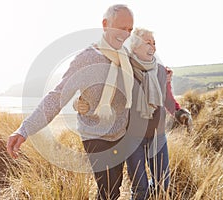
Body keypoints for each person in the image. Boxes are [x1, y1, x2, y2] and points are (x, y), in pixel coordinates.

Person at [7, 4, 134, 200]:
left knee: (114, 189)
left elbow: (143, 85)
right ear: (105, 24)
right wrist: (24, 129)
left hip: (121, 132)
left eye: (129, 30)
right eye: (121, 28)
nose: (126, 34)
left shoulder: (127, 57)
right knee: (108, 191)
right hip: (95, 134)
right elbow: (57, 96)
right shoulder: (86, 58)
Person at [74, 28, 192, 199]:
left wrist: (179, 112)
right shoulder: (124, 69)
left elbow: (167, 98)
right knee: (139, 187)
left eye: (154, 43)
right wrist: (78, 102)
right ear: (135, 47)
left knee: (162, 183)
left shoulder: (160, 71)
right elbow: (101, 90)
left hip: (158, 136)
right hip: (132, 138)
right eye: (148, 42)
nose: (153, 46)